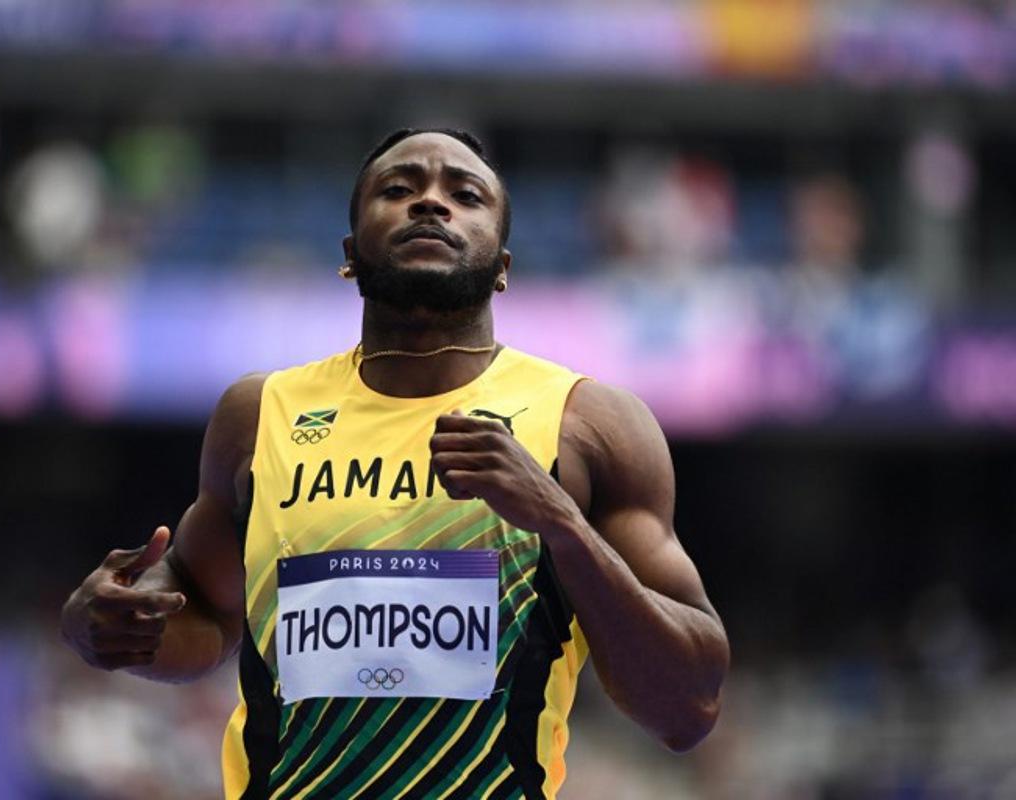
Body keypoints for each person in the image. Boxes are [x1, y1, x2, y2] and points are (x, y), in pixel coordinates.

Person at [60, 128, 730, 799]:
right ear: (350, 255)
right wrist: (114, 625)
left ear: (502, 263)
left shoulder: (589, 425)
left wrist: (561, 523)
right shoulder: (259, 414)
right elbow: (200, 620)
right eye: (399, 189)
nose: (430, 204)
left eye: (464, 194)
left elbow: (686, 710)